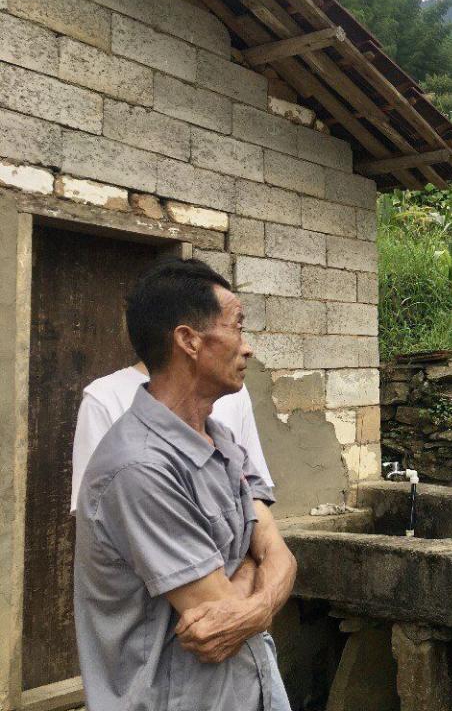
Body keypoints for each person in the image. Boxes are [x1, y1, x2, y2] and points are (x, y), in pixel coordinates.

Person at [74, 258, 297, 711]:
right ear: (189, 340)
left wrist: (255, 606)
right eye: (237, 326)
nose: (248, 347)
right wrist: (258, 566)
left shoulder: (223, 441)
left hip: (251, 687)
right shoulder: (138, 468)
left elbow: (279, 554)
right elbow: (217, 619)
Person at [70, 362, 273, 513]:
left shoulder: (233, 391)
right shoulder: (103, 398)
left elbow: (254, 491)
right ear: (187, 339)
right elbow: (94, 512)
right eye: (233, 328)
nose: (246, 347)